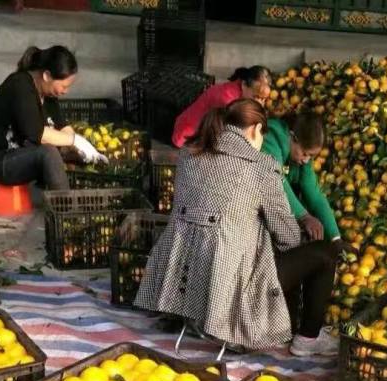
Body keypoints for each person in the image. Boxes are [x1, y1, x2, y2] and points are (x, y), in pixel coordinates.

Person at [136, 99, 340, 357]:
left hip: (186, 276)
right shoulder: (261, 167)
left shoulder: (190, 153)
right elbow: (288, 237)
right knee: (323, 254)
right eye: (262, 133)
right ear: (255, 130)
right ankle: (308, 338)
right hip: (233, 285)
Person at [0, 46, 105, 192]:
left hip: (23, 152)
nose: (66, 91)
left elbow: (62, 128)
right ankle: (66, 208)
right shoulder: (20, 86)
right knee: (48, 153)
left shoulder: (48, 93)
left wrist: (83, 149)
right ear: (46, 75)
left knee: (71, 153)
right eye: (64, 85)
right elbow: (38, 134)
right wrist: (75, 140)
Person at [261, 111, 341, 244]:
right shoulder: (271, 137)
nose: (306, 160)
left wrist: (336, 238)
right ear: (292, 137)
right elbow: (276, 180)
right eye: (304, 154)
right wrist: (304, 216)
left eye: (311, 156)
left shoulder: (303, 159)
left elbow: (314, 195)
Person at [171, 66, 271, 149]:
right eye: (255, 97)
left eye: (263, 99)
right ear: (244, 84)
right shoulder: (227, 99)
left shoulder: (239, 94)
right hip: (187, 139)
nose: (260, 103)